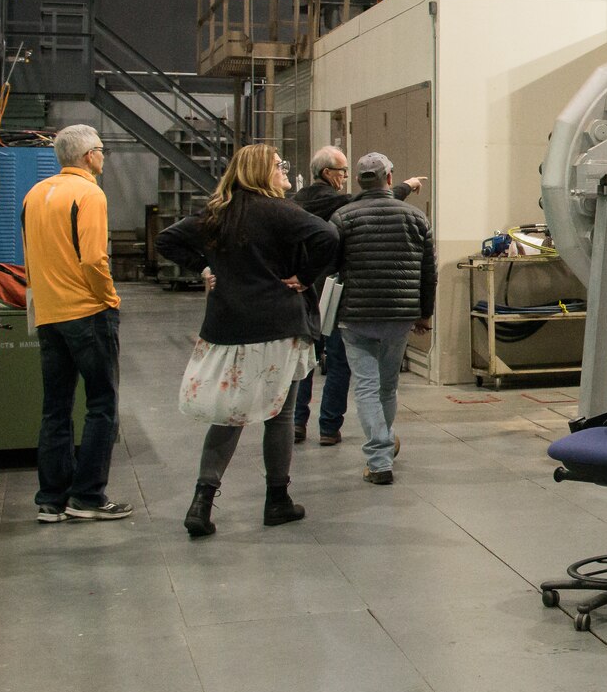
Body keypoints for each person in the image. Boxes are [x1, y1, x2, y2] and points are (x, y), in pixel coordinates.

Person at [157, 144, 339, 538]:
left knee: (229, 416)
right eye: (279, 165)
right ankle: (277, 500)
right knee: (281, 415)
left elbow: (167, 240)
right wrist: (305, 276)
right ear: (260, 172)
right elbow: (328, 236)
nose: (284, 171)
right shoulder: (280, 210)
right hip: (278, 325)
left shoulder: (216, 213)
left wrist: (204, 268)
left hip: (229, 325)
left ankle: (202, 501)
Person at [21, 124, 132, 523]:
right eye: (102, 150)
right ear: (89, 156)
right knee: (102, 405)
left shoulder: (34, 194)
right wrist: (109, 298)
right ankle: (87, 496)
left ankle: (51, 499)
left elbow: (29, 258)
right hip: (87, 313)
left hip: (48, 314)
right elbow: (93, 259)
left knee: (56, 408)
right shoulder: (89, 194)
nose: (103, 156)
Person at [290, 146, 423, 447]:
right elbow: (367, 202)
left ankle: (297, 423)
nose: (346, 177)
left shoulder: (295, 202)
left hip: (304, 292)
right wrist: (407, 186)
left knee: (306, 361)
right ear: (327, 173)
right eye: (342, 172)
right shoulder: (336, 205)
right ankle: (329, 427)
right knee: (340, 364)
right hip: (335, 295)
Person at [332, 151, 437, 486]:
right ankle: (384, 448)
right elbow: (428, 273)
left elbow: (332, 265)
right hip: (398, 316)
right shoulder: (416, 217)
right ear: (389, 178)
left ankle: (379, 459)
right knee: (388, 386)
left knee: (366, 387)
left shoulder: (343, 217)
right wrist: (424, 314)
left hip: (357, 316)